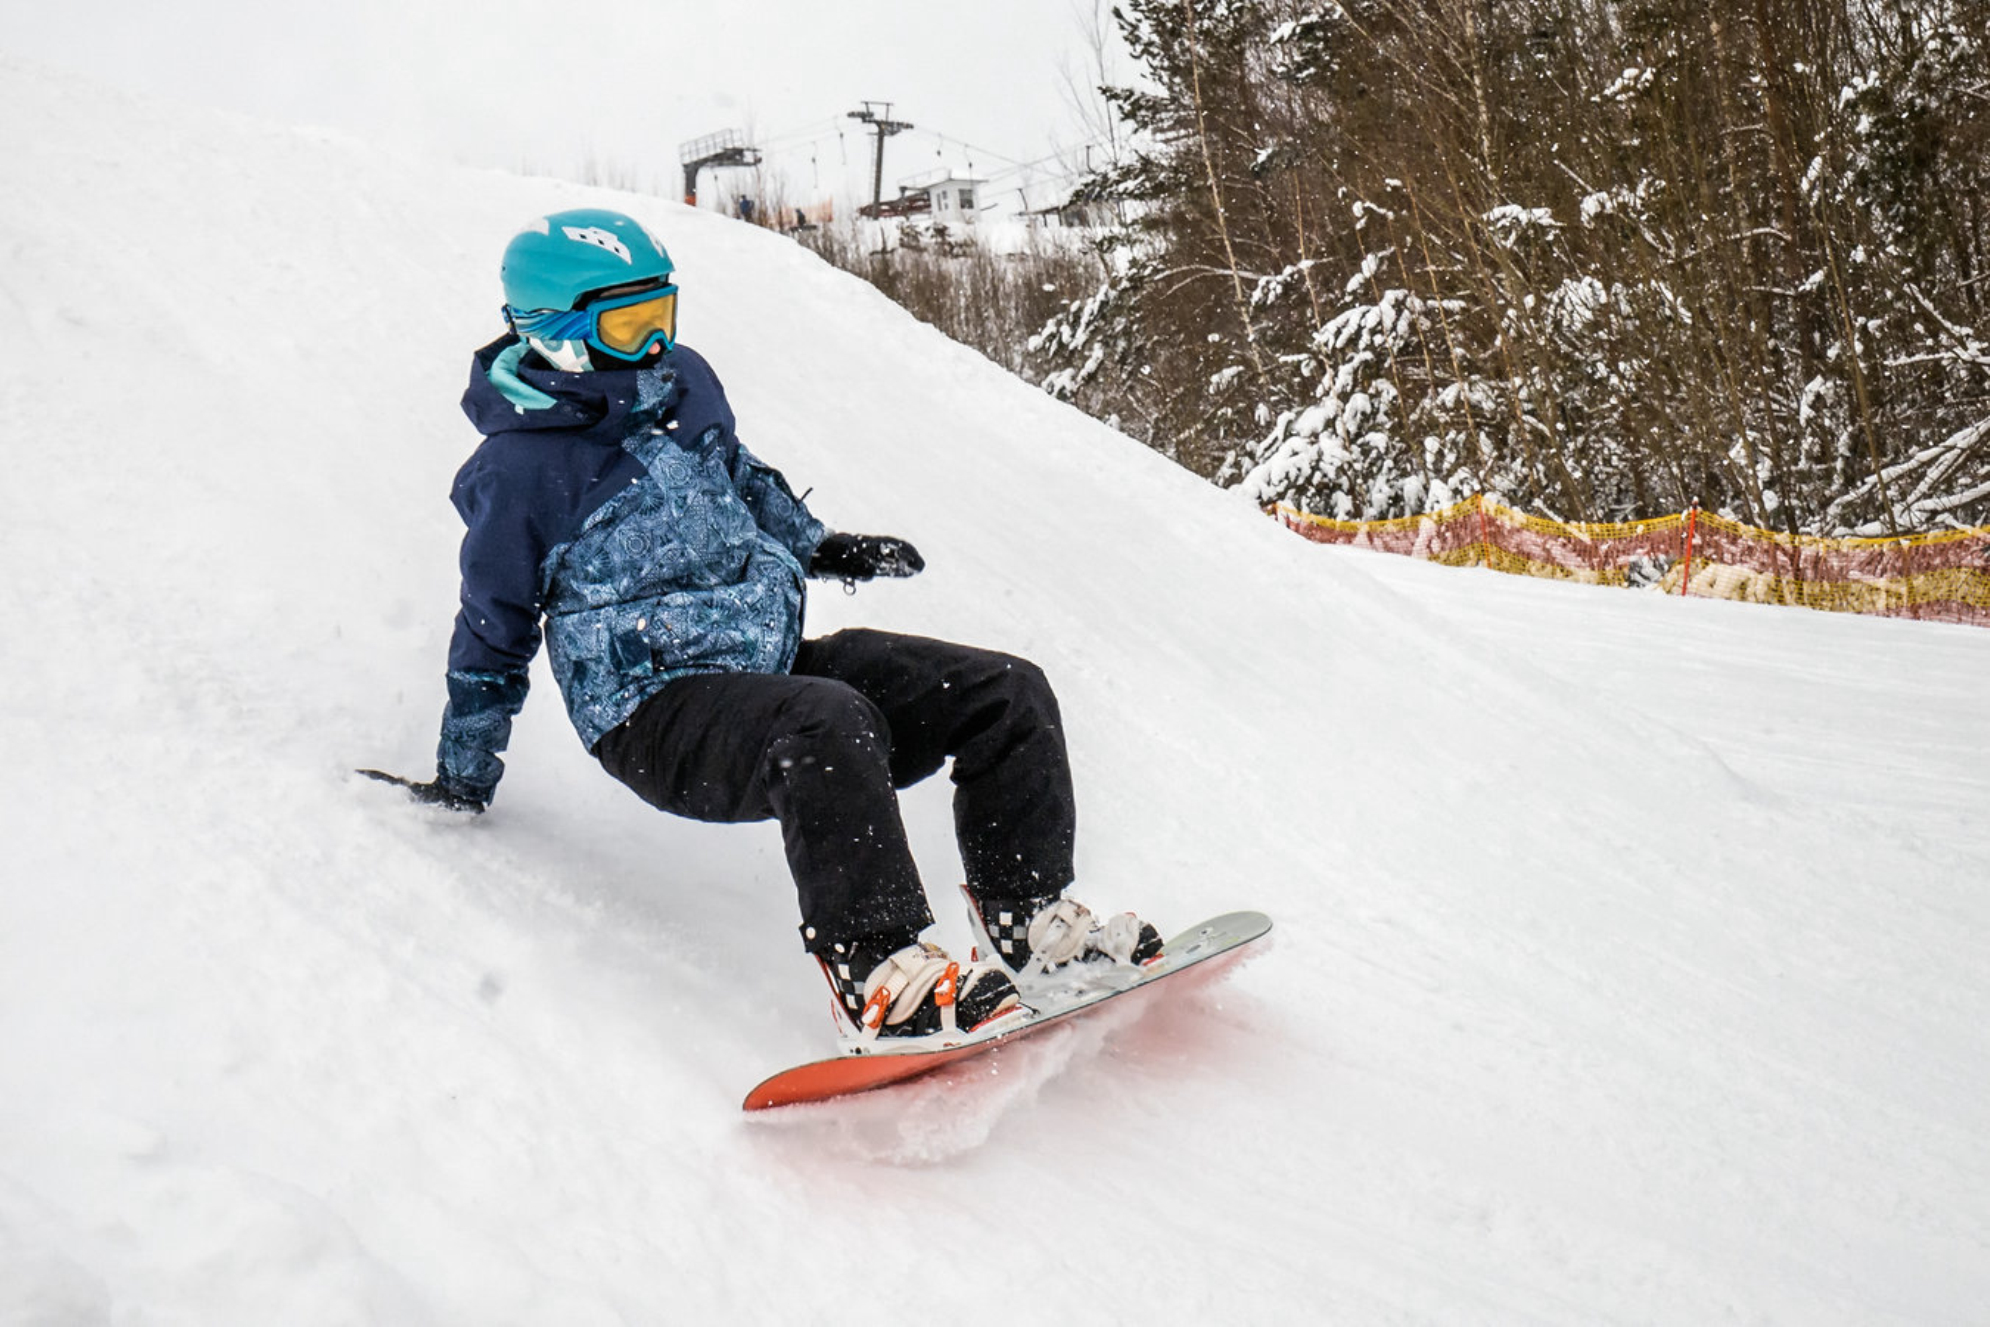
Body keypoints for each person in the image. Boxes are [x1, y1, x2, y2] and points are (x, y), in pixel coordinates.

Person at [376, 207, 1160, 1046]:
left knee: (1006, 692)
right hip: (653, 712)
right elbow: (490, 634)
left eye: (661, 317)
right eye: (629, 324)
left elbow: (739, 479)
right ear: (558, 332)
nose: (654, 347)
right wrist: (463, 776)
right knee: (825, 719)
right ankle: (880, 976)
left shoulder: (683, 383)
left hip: (770, 666)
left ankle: (1028, 921)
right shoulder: (517, 472)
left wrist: (822, 547)